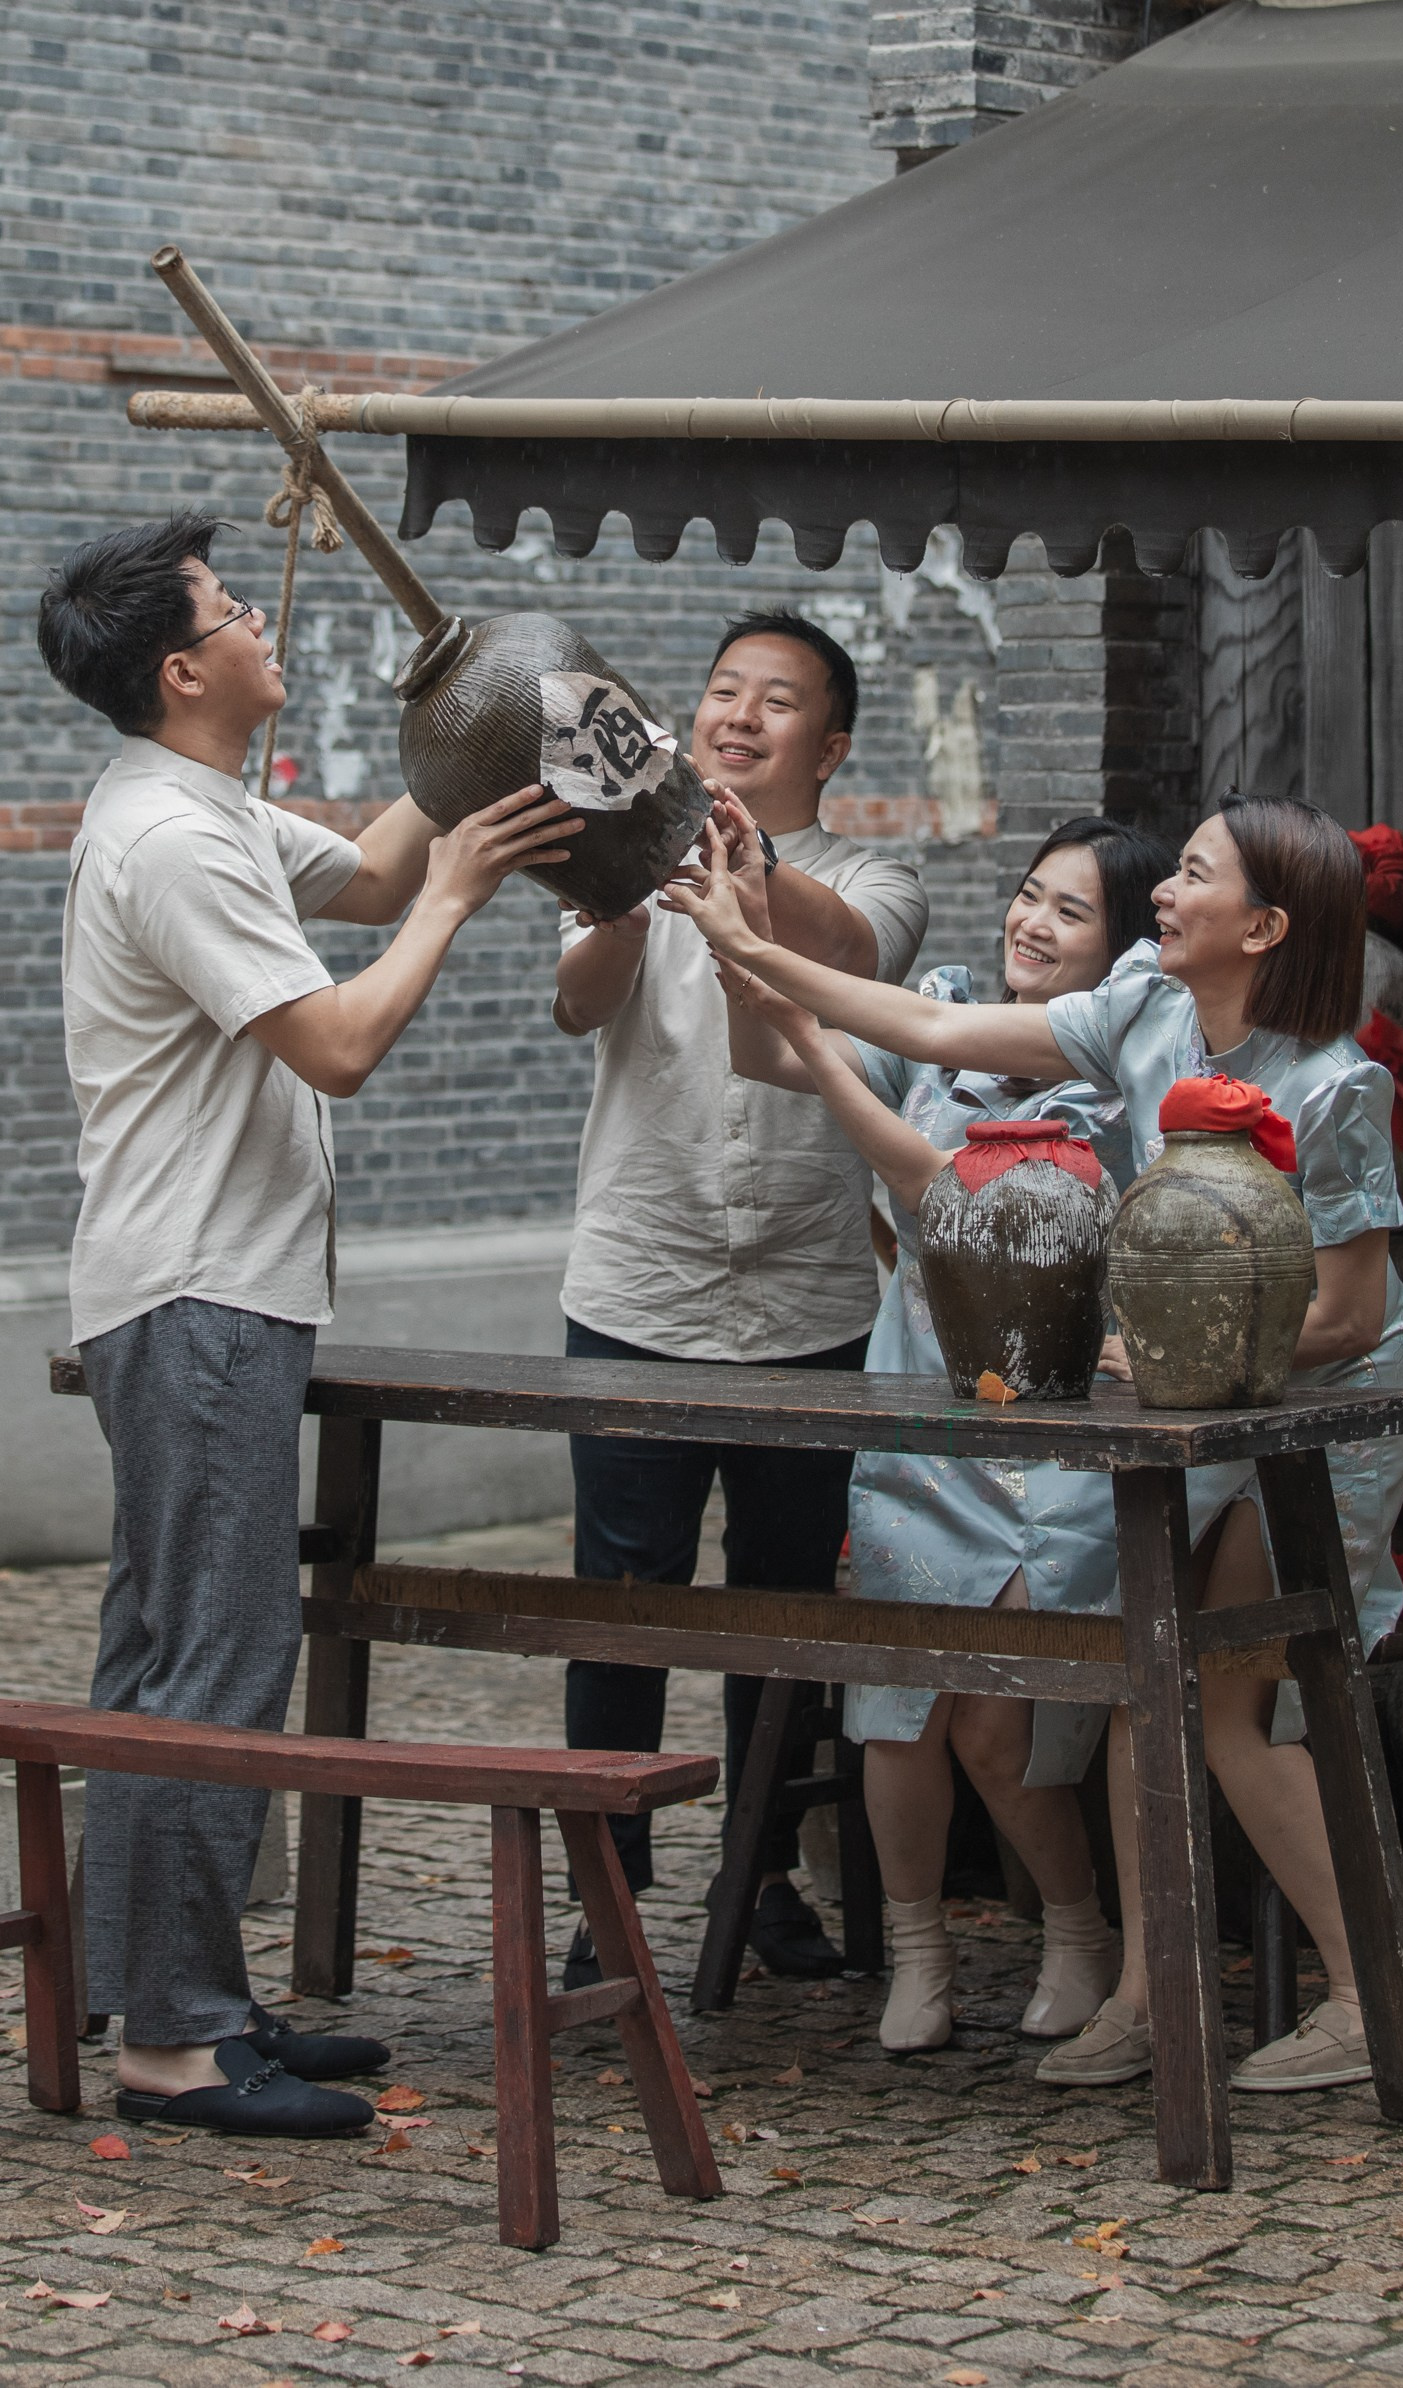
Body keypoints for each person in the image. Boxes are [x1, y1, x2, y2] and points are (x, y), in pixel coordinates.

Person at [666, 793, 1403, 2095]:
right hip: (1210, 1391)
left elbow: (1350, 1314)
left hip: (1331, 1407)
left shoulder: (1332, 1084)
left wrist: (1186, 1355)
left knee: (1236, 1712)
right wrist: (743, 938)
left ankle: (1369, 1998)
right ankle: (1150, 1991)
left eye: (1190, 876)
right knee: (1158, 1685)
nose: (1165, 896)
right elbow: (921, 1022)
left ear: (1262, 927)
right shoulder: (1140, 1017)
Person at [39, 509, 573, 2138]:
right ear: (187, 668)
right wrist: (464, 901)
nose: (270, 631)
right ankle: (176, 2050)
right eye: (234, 615)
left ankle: (168, 2003)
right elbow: (337, 1040)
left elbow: (375, 866)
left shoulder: (199, 801)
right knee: (219, 1652)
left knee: (162, 1654)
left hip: (193, 1287)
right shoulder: (174, 841)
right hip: (201, 1291)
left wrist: (474, 722)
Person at [718, 816, 1170, 2055]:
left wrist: (803, 1015)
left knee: (991, 1714)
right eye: (1029, 896)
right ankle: (914, 1955)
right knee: (894, 1707)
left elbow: (945, 1196)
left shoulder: (1120, 1086)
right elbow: (766, 1053)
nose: (1030, 922)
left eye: (1070, 913)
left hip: (1048, 1439)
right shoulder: (939, 1028)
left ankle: (1077, 1929)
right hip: (919, 1408)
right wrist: (736, 938)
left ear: (1125, 949)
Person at [552, 609, 929, 1985]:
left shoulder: (875, 877)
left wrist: (738, 864)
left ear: (828, 745)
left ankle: (764, 1874)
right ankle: (605, 1891)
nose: (740, 714)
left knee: (783, 1601)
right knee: (624, 1595)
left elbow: (858, 955)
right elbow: (580, 1003)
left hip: (810, 1301)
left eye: (777, 701)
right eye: (721, 692)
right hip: (637, 1287)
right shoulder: (629, 852)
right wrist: (617, 898)